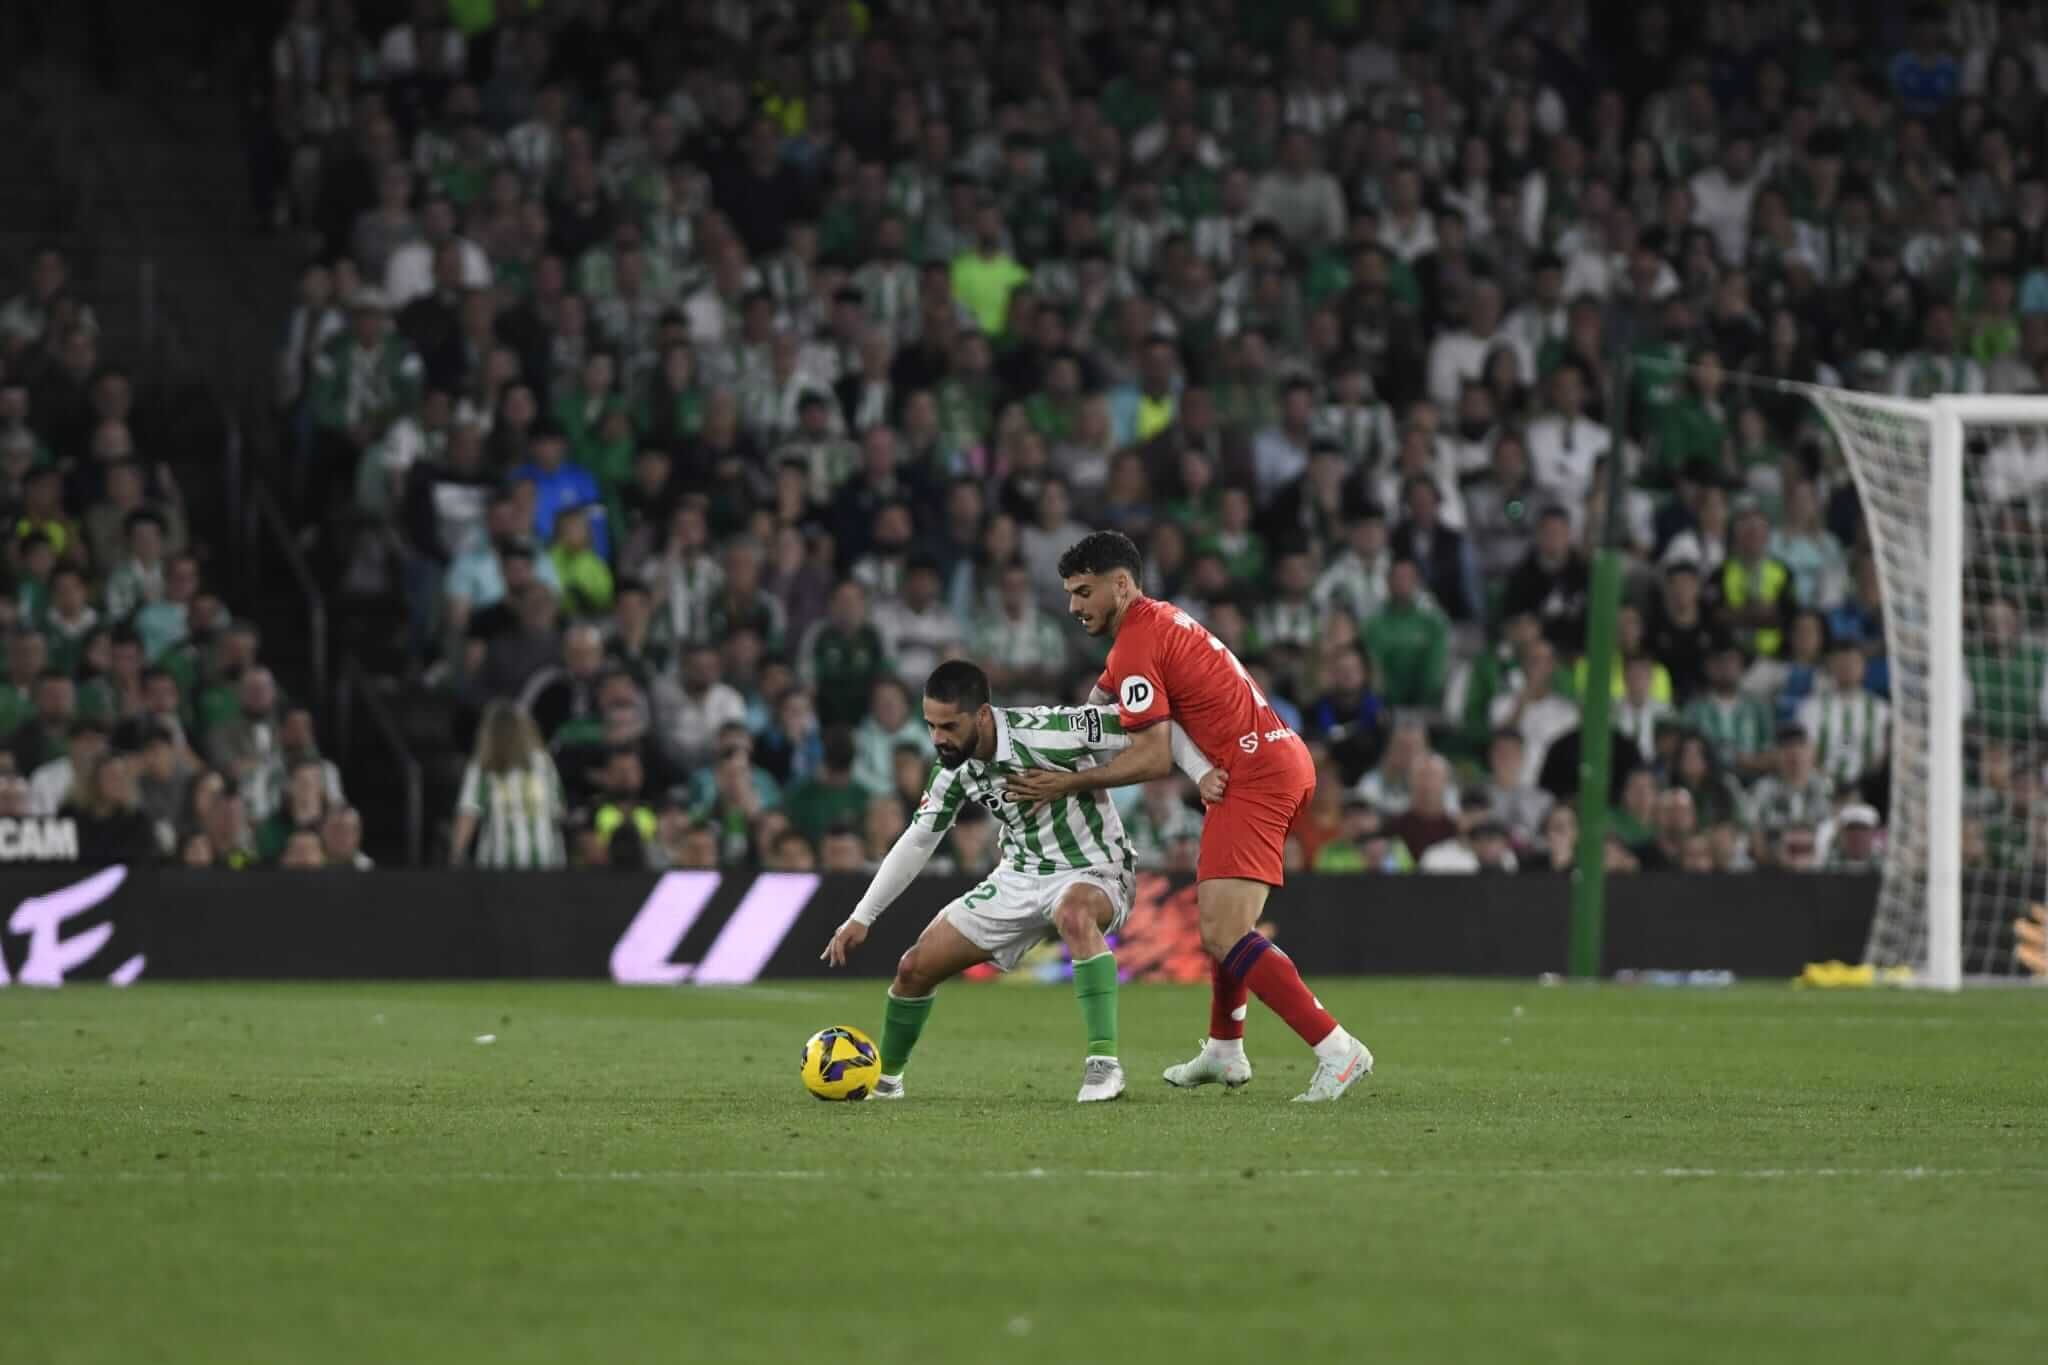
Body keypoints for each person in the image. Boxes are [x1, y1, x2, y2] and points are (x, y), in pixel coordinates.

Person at [1007, 530, 1373, 1103]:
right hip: (1276, 760)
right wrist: (1064, 736)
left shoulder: (1134, 644)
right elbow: (1100, 703)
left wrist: (1069, 781)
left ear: (1121, 585)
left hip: (1253, 774)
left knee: (1224, 932)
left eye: (1083, 592)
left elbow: (1153, 755)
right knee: (1226, 928)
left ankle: (1336, 1049)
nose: (1074, 607)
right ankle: (1225, 1051)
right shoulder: (1155, 623)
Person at [821, 661, 1213, 1103]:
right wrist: (862, 916)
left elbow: (1160, 729)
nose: (938, 739)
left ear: (983, 715)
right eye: (930, 725)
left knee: (1074, 911)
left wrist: (1203, 775)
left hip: (1095, 867)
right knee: (913, 969)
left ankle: (1104, 1066)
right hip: (1020, 875)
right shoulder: (952, 770)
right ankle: (887, 1083)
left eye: (949, 726)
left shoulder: (1052, 729)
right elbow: (917, 841)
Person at [450, 701, 566, 867]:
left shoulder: (483, 765)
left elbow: (468, 813)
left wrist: (455, 855)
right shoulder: (544, 762)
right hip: (546, 862)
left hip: (501, 866)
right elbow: (559, 811)